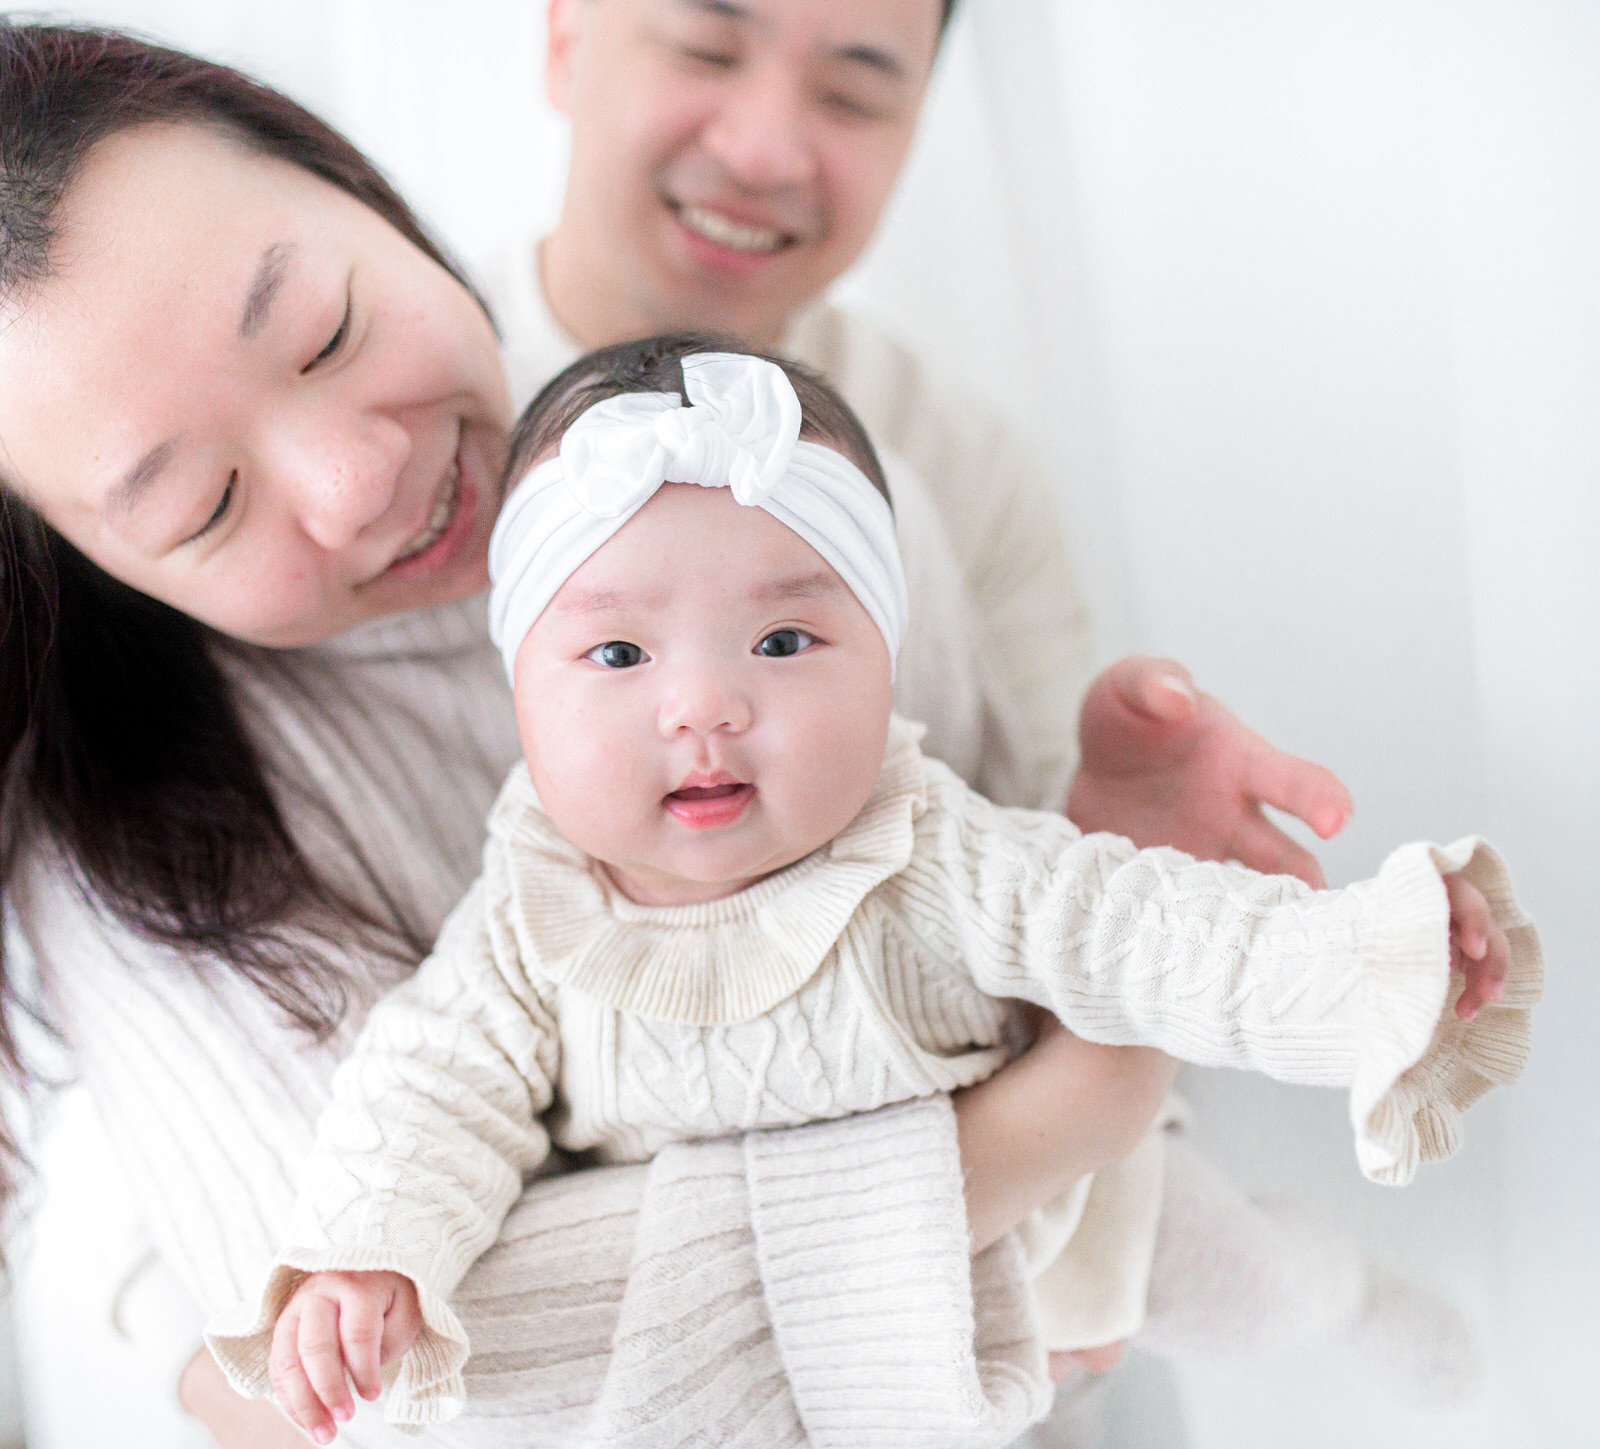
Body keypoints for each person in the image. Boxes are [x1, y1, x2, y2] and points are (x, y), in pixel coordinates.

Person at [0, 20, 1344, 1449]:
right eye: (202, 505)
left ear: (366, 194)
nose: (360, 477)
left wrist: (1118, 854)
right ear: (85, 565)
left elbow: (1004, 916)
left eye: (329, 329)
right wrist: (1073, 1106)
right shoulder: (141, 850)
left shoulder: (769, 463)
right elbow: (432, 1400)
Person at [205, 340, 1537, 1440]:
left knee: (1239, 1279)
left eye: (785, 639)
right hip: (785, 1341)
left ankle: (1345, 1299)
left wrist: (1368, 963)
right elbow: (430, 1087)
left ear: (885, 663)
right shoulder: (528, 912)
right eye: (617, 653)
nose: (704, 705)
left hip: (1043, 1218)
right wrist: (368, 1256)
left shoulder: (924, 845)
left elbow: (1141, 929)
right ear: (520, 696)